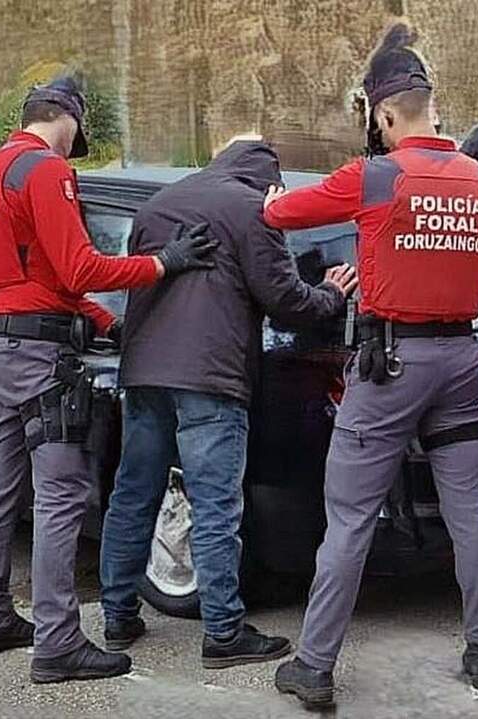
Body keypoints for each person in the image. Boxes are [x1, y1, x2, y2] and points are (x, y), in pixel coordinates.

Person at [262, 23, 478, 707]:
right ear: (431, 106)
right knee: (471, 509)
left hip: (389, 366)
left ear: (384, 114)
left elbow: (283, 213)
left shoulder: (373, 176)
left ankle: (315, 667)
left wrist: (262, 196)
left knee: (349, 515)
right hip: (460, 363)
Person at [0, 75, 218, 684]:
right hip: (37, 360)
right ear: (67, 119)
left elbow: (37, 278)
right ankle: (57, 642)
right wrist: (164, 263)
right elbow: (80, 266)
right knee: (61, 494)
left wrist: (106, 323)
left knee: (0, 489)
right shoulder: (46, 170)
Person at [99, 136, 358, 669]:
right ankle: (223, 631)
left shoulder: (157, 205)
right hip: (209, 378)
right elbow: (285, 299)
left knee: (134, 495)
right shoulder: (251, 208)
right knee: (215, 504)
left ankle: (118, 615)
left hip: (144, 371)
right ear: (269, 180)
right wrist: (333, 293)